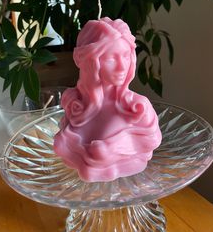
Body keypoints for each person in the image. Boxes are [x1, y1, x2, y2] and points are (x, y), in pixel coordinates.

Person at [54, 17, 162, 182]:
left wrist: (113, 149)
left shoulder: (137, 109)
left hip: (130, 186)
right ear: (90, 62)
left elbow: (152, 139)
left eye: (126, 56)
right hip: (81, 190)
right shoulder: (76, 106)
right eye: (111, 58)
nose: (122, 67)